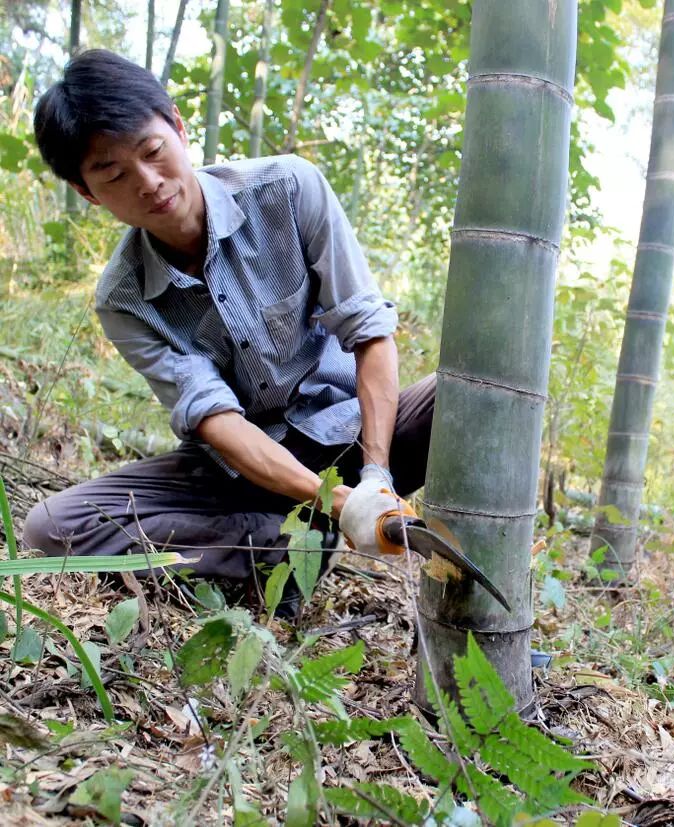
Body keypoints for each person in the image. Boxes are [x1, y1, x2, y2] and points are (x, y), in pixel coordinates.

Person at [23, 50, 435, 605]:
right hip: (239, 472)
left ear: (178, 126)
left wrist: (375, 478)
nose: (148, 182)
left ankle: (466, 592)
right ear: (88, 193)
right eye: (115, 173)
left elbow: (369, 331)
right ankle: (279, 549)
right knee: (52, 528)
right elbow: (216, 421)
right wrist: (335, 506)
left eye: (152, 151)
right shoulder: (123, 299)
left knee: (468, 398)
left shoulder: (287, 189)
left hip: (349, 435)